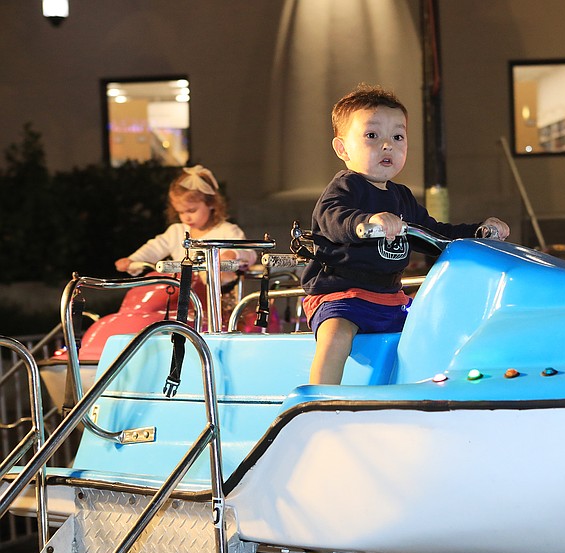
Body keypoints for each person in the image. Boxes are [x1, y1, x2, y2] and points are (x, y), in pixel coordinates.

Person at [301, 84, 510, 385]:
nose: (388, 145)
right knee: (336, 332)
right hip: (343, 293)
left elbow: (434, 233)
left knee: (431, 328)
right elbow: (333, 218)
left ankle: (430, 389)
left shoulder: (402, 197)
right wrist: (365, 222)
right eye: (372, 136)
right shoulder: (346, 186)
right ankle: (319, 399)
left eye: (397, 137)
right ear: (342, 148)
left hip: (388, 296)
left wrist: (478, 233)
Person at [115, 165, 257, 317]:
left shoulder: (227, 231)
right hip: (181, 299)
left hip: (217, 302)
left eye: (191, 210)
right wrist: (134, 260)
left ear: (211, 203)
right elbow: (155, 247)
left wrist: (233, 253)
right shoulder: (177, 231)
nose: (186, 217)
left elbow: (250, 253)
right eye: (181, 212)